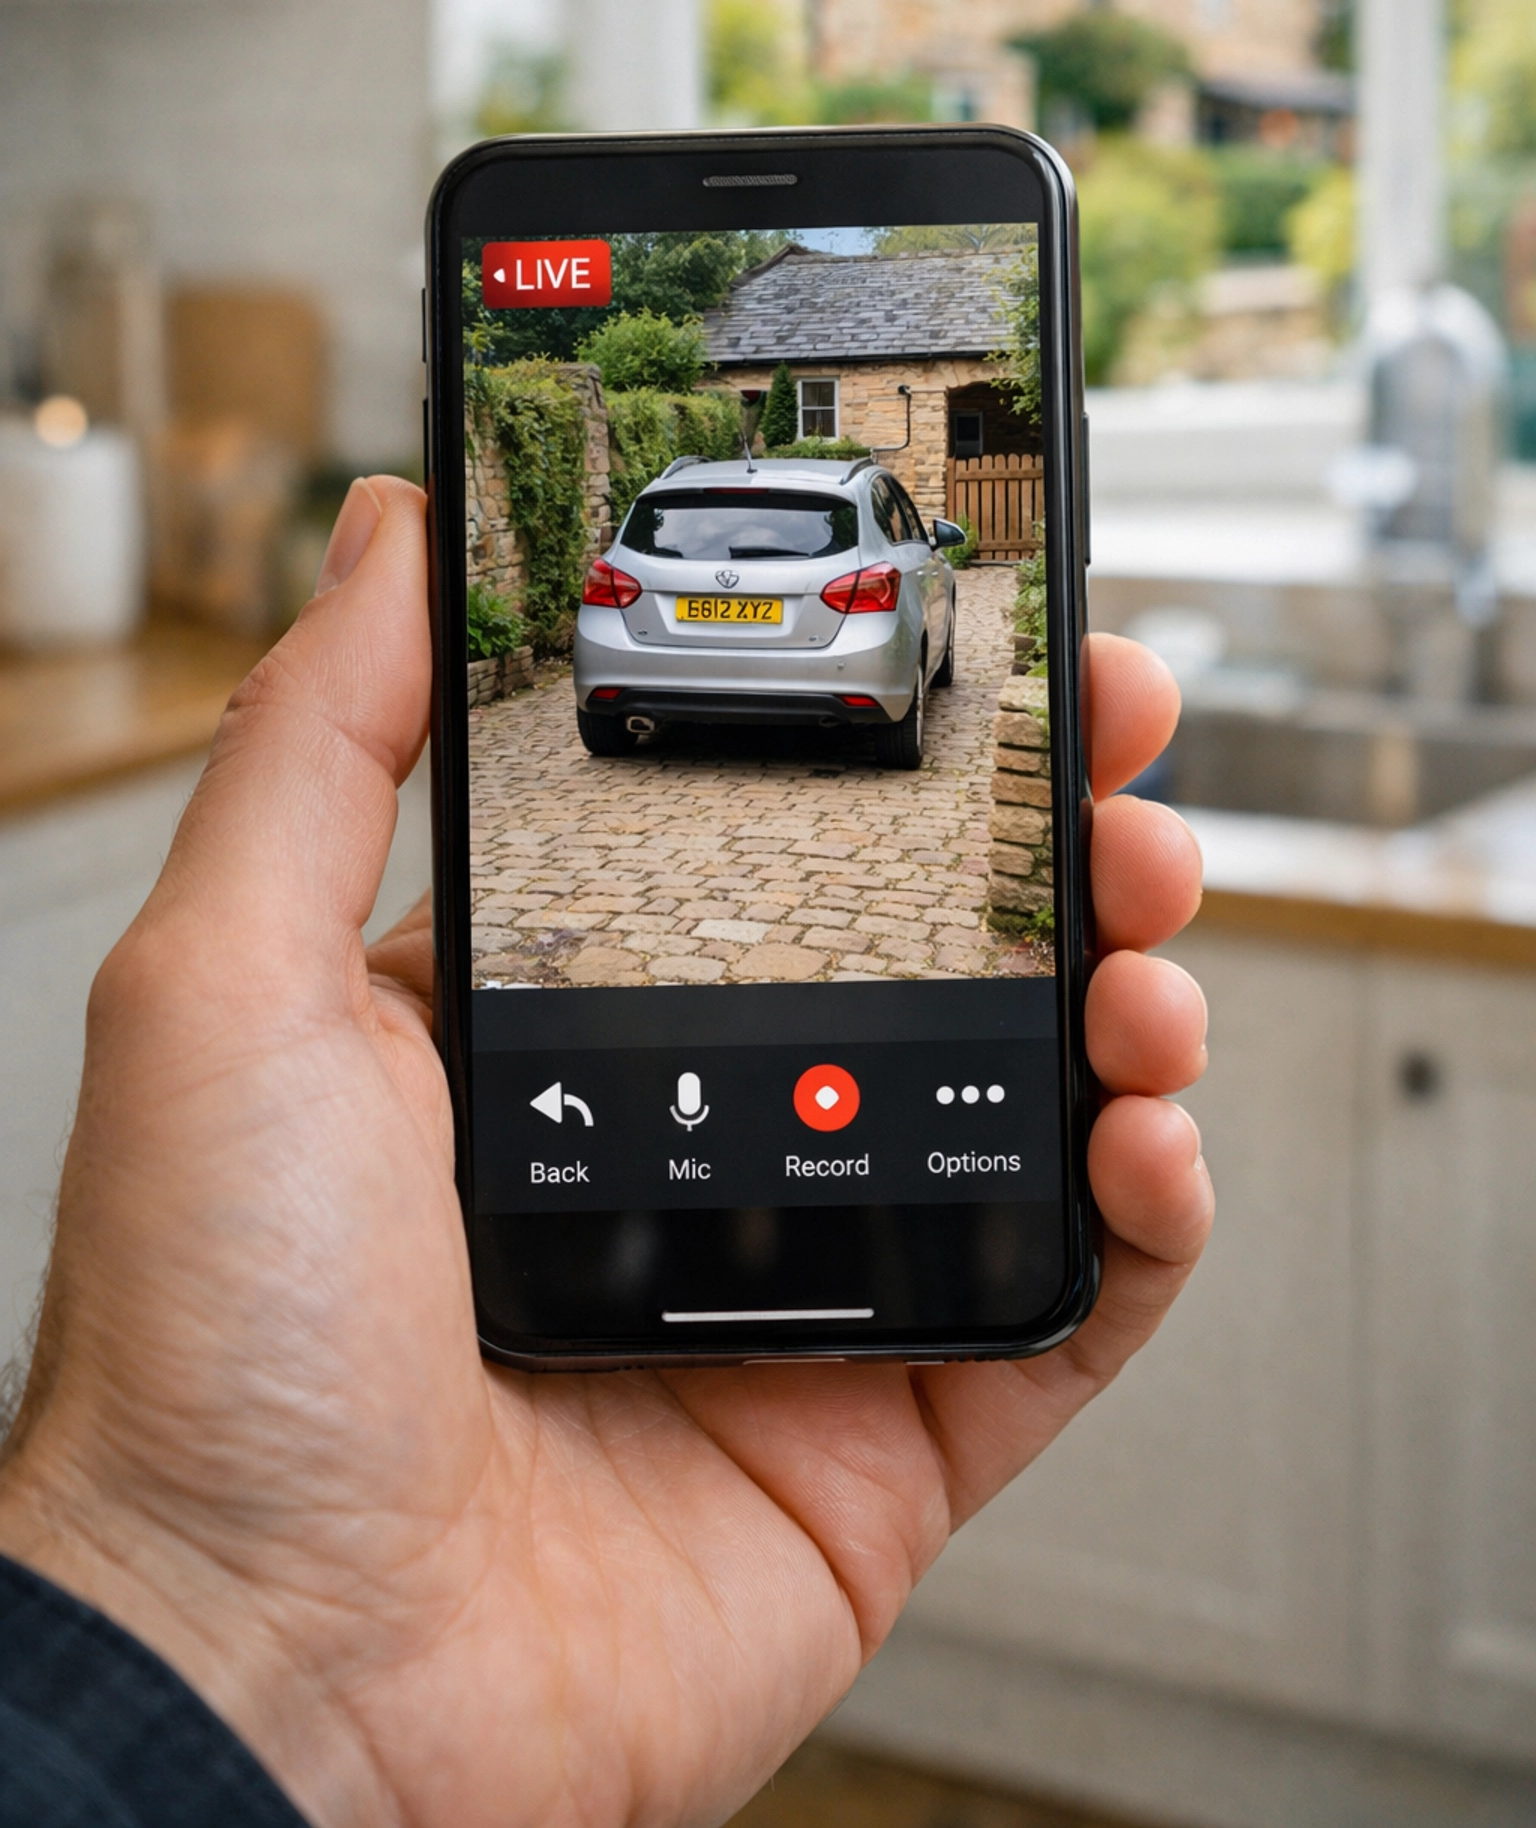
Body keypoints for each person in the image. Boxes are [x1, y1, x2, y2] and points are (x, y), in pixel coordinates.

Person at [0, 478, 1211, 1828]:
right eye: (678, 564)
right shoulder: (883, 564)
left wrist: (211, 1630)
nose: (733, 576)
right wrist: (214, 1597)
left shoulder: (646, 565)